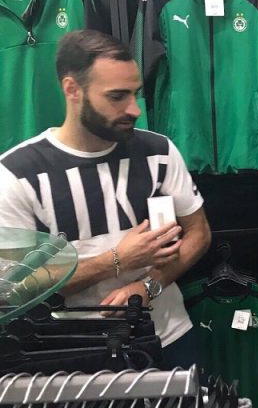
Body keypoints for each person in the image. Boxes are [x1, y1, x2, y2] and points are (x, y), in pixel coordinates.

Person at [0, 30, 211, 367]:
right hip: (70, 352)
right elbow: (18, 291)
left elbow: (199, 233)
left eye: (135, 94)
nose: (134, 109)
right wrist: (116, 260)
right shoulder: (16, 174)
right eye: (117, 97)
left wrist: (149, 286)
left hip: (168, 336)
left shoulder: (158, 151)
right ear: (72, 89)